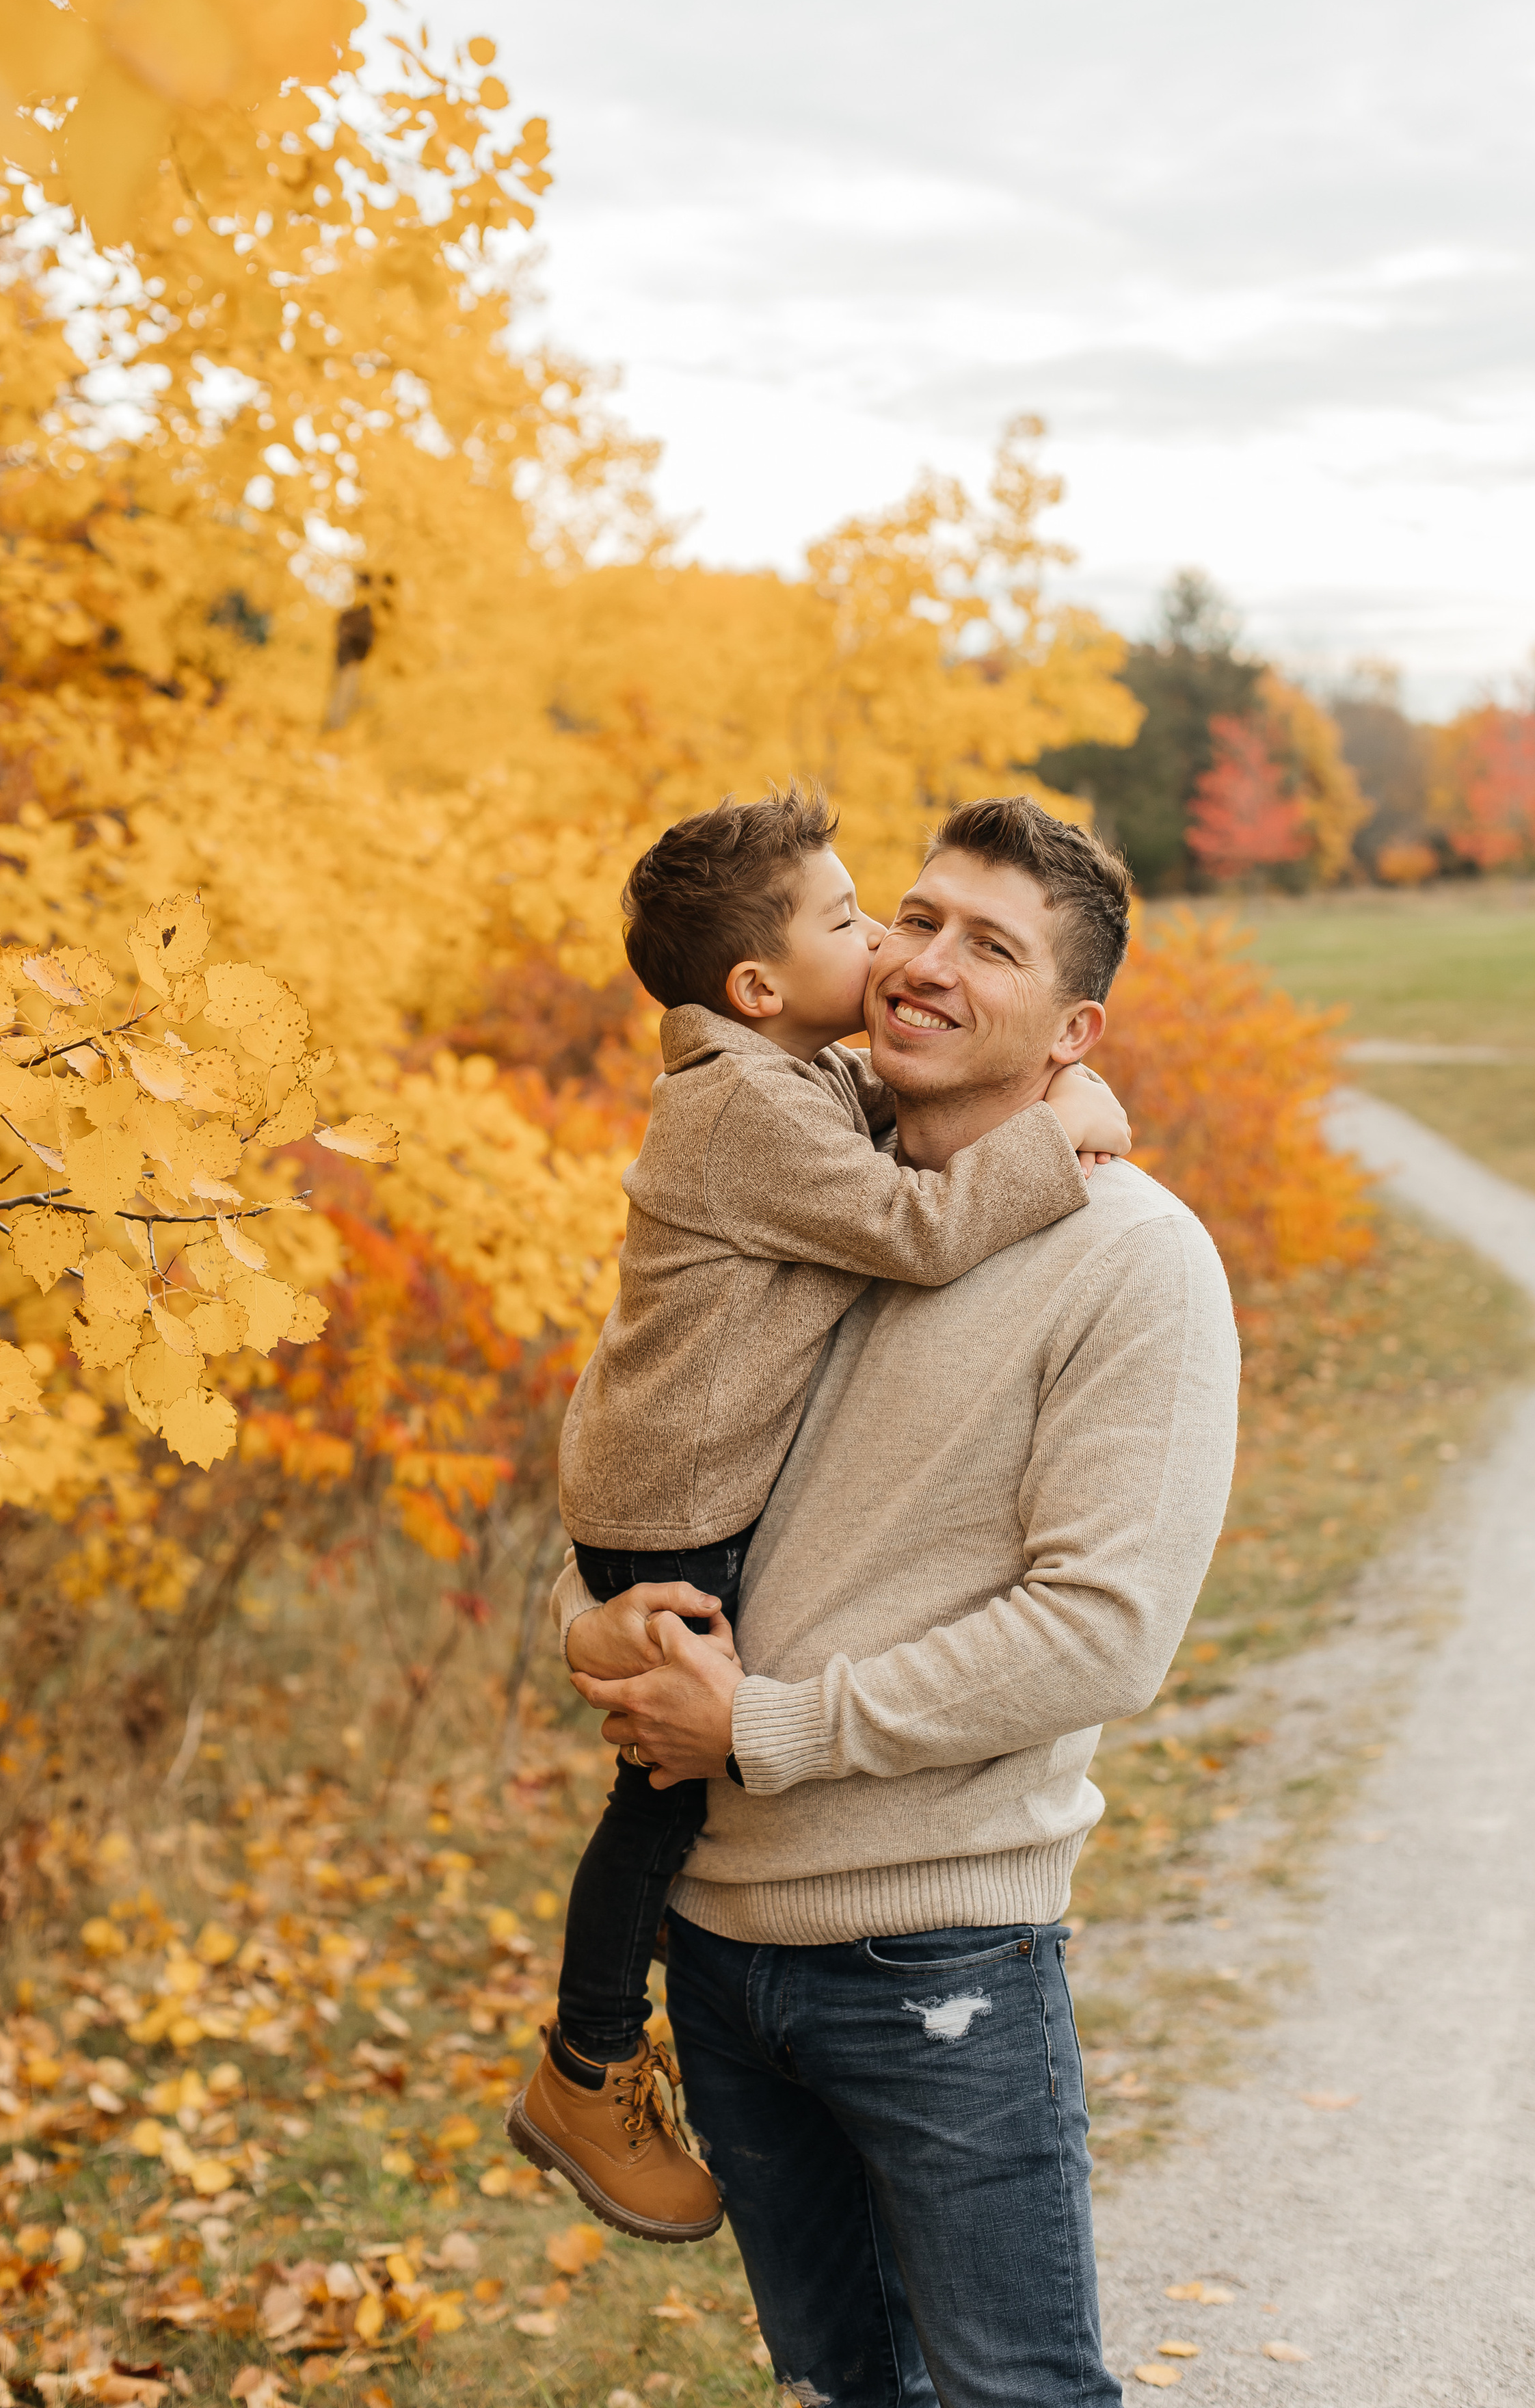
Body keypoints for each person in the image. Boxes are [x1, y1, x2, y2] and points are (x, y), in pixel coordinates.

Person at [563, 796, 1241, 2408]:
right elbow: (641, 1457)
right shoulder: (794, 1165)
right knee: (834, 2390)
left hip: (930, 1958)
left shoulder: (1131, 1264)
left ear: (1073, 1033)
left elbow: (1100, 1632)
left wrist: (771, 1724)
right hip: (716, 1948)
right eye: (914, 918)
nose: (921, 961)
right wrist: (592, 1631)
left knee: (1012, 2395)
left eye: (986, 946)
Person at [507, 785, 1132, 2240]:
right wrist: (1059, 1131)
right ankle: (584, 2062)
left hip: (666, 1514)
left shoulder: (775, 1084)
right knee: (653, 1804)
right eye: (867, 921)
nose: (893, 954)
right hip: (667, 1519)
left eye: (965, 939)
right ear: (758, 987)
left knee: (658, 1795)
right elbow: (914, 1225)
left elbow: (888, 1138)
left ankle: (591, 2055)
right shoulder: (739, 1107)